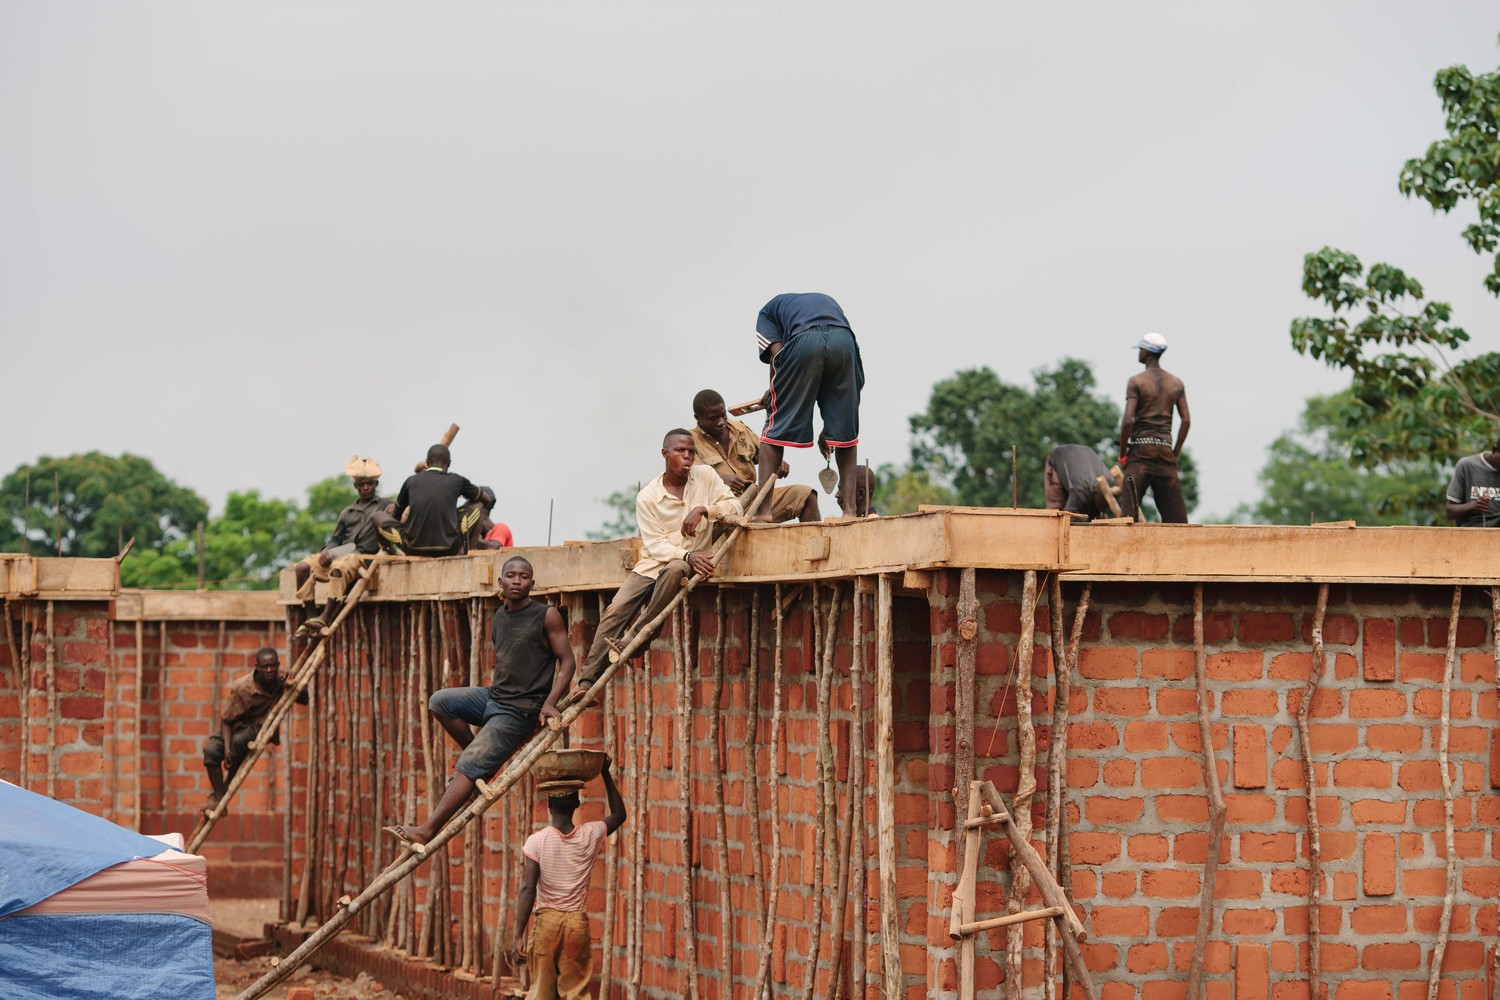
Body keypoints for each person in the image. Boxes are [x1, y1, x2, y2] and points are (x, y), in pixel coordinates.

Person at [385, 556, 575, 848]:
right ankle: (477, 762)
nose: (516, 581)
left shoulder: (546, 615)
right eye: (510, 575)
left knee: (467, 766)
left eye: (523, 577)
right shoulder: (500, 616)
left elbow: (568, 662)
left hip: (519, 710)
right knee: (440, 701)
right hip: (494, 697)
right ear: (500, 582)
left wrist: (549, 703)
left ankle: (427, 829)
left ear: (532, 583)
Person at [575, 430, 743, 687]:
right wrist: (688, 554)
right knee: (615, 610)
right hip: (654, 563)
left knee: (675, 571)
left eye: (691, 452)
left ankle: (637, 637)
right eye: (680, 452)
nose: (687, 457)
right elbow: (655, 545)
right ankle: (586, 682)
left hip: (682, 564)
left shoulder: (706, 476)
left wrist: (704, 509)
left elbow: (735, 506)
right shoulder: (648, 497)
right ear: (665, 454)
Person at [509, 761, 626, 1000]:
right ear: (576, 804)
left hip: (547, 923)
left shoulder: (537, 841)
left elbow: (528, 888)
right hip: (576, 924)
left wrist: (518, 934)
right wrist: (604, 771)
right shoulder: (590, 835)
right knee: (575, 994)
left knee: (541, 992)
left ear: (549, 805)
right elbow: (619, 815)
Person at [754, 292, 865, 519]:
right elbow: (848, 387)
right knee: (845, 432)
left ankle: (763, 511)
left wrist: (777, 394)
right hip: (844, 344)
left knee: (775, 428)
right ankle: (850, 511)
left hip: (805, 342)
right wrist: (831, 428)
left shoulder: (765, 315)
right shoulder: (828, 302)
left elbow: (778, 356)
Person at [292, 456, 390, 638]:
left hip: (363, 557)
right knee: (302, 567)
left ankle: (325, 617)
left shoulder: (385, 504)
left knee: (338, 568)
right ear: (356, 487)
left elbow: (403, 510)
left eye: (369, 483)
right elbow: (335, 539)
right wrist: (326, 552)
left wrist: (394, 512)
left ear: (375, 484)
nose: (366, 487)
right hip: (343, 551)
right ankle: (311, 617)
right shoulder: (347, 512)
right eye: (362, 485)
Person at [690, 388, 820, 523]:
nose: (721, 422)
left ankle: (817, 544)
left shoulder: (739, 429)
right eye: (713, 418)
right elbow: (691, 478)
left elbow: (765, 454)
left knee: (806, 496)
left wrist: (778, 462)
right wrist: (719, 479)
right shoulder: (689, 441)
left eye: (723, 415)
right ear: (698, 418)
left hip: (757, 501)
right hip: (723, 508)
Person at [202, 647, 306, 811]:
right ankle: (219, 794)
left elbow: (304, 699)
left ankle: (227, 785)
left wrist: (293, 684)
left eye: (273, 666)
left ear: (278, 665)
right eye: (265, 667)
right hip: (234, 726)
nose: (269, 670)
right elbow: (226, 720)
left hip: (258, 728)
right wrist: (227, 749)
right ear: (256, 666)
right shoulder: (242, 687)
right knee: (211, 750)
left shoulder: (282, 678)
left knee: (239, 741)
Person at [1118, 332, 1190, 523]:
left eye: (1140, 349)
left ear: (1147, 352)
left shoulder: (1136, 382)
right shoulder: (1176, 383)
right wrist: (1174, 453)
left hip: (1140, 453)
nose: (1139, 353)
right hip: (1165, 452)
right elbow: (1186, 420)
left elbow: (1127, 421)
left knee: (1127, 517)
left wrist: (1123, 453)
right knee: (1177, 520)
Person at [371, 443, 485, 556]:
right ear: (449, 463)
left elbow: (395, 516)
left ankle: (387, 548)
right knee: (478, 505)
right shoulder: (457, 480)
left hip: (412, 547)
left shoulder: (411, 481)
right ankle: (464, 552)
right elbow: (486, 499)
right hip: (449, 548)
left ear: (427, 463)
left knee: (377, 516)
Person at [1045, 445, 1112, 520]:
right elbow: (1067, 519)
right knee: (1055, 508)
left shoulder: (1111, 482)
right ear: (1095, 494)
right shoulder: (1081, 492)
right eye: (1102, 504)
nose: (1103, 507)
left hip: (1081, 463)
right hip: (1057, 460)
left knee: (1098, 515)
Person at [1444, 437, 1500, 527]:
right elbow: (1450, 512)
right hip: (1471, 534)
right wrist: (1474, 505)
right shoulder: (1467, 466)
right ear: (1494, 449)